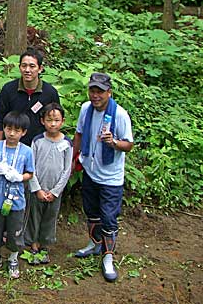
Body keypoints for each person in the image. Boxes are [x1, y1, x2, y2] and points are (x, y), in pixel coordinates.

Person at [73, 72, 133, 282]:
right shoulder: (85, 109)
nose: (95, 95)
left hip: (111, 177)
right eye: (92, 90)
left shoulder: (120, 115)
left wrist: (114, 143)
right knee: (91, 211)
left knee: (108, 217)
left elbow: (129, 145)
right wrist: (74, 159)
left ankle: (108, 257)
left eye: (100, 91)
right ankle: (95, 243)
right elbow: (79, 133)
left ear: (109, 92)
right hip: (90, 170)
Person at [0, 111, 34, 279]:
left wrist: (20, 177)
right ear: (3, 128)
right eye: (9, 129)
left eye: (17, 130)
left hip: (16, 199)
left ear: (23, 132)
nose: (12, 133)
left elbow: (30, 173)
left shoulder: (26, 151)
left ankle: (13, 259)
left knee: (15, 231)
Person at [25, 103, 72, 265]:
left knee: (50, 217)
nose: (53, 123)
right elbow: (31, 167)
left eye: (56, 120)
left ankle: (45, 246)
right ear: (42, 121)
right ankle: (33, 245)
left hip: (55, 191)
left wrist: (56, 191)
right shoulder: (37, 141)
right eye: (49, 120)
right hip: (38, 188)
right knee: (34, 216)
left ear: (62, 121)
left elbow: (67, 170)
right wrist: (37, 189)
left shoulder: (67, 143)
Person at [0, 47, 60, 145]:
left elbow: (55, 120)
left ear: (40, 69)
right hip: (13, 143)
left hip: (41, 144)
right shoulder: (8, 89)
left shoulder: (50, 92)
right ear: (19, 67)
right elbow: (0, 120)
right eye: (24, 66)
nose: (27, 70)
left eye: (32, 66)